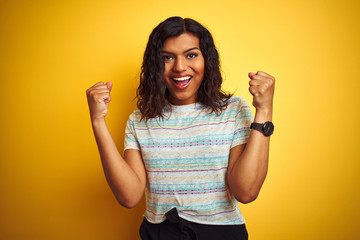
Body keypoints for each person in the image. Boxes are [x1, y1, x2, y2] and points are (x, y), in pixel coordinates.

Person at [86, 16, 275, 240]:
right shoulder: (139, 120)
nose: (179, 67)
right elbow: (129, 197)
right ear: (155, 64)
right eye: (167, 57)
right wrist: (98, 122)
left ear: (207, 60)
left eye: (191, 55)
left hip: (221, 234)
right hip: (159, 233)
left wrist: (264, 111)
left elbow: (246, 191)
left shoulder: (233, 110)